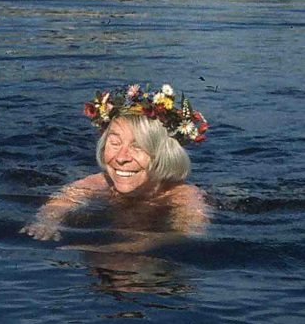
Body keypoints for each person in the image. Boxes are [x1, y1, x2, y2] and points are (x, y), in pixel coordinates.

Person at [22, 84, 210, 246]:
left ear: (164, 154)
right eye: (115, 143)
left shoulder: (182, 195)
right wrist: (47, 221)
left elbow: (186, 234)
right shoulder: (99, 183)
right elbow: (60, 203)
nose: (121, 157)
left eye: (137, 146)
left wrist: (122, 251)